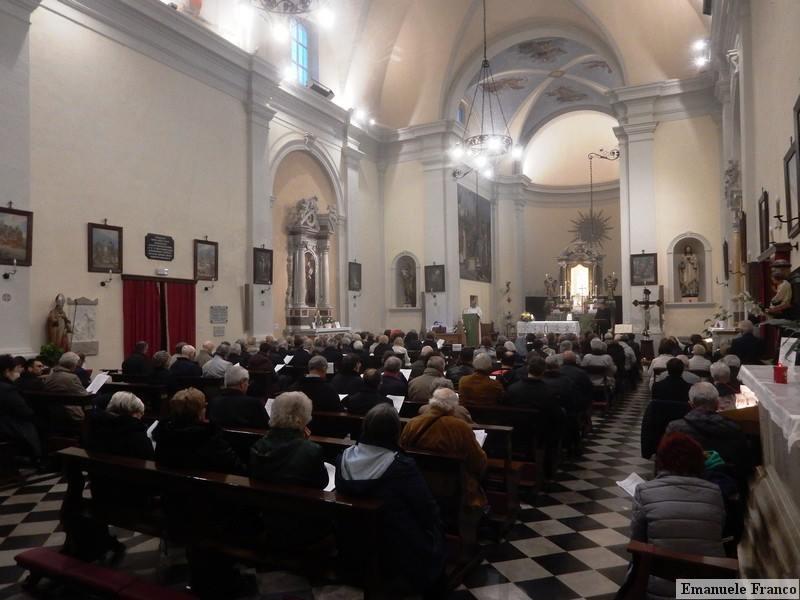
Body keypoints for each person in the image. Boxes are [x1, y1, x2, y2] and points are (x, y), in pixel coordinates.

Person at [336, 404, 446, 597]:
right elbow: (426, 508)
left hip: (351, 538)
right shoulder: (401, 466)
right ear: (396, 431)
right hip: (394, 545)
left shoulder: (343, 458)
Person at [628, 432, 726, 599]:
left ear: (661, 461)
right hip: (706, 587)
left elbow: (637, 541)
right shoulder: (714, 492)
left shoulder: (644, 491)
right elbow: (718, 531)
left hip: (657, 588)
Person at [400, 388, 487, 510]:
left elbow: (402, 450)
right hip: (452, 485)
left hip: (417, 479)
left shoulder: (413, 423)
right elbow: (477, 460)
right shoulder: (460, 427)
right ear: (453, 406)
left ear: (432, 402)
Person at [665, 382, 752, 480]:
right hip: (724, 485)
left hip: (685, 482)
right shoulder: (734, 428)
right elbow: (744, 465)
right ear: (717, 403)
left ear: (691, 404)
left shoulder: (675, 428)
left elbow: (667, 462)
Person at [86, 391, 153, 461]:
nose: (141, 417)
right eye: (140, 413)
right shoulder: (137, 436)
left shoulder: (97, 427)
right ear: (133, 412)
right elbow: (149, 460)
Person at [0, 355, 42, 459]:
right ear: (7, 371)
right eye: (14, 370)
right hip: (7, 427)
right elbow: (25, 411)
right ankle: (37, 456)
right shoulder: (7, 389)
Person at [208, 365, 269, 429]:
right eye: (247, 382)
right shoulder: (254, 404)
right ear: (242, 384)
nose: (248, 385)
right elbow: (267, 426)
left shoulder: (213, 402)